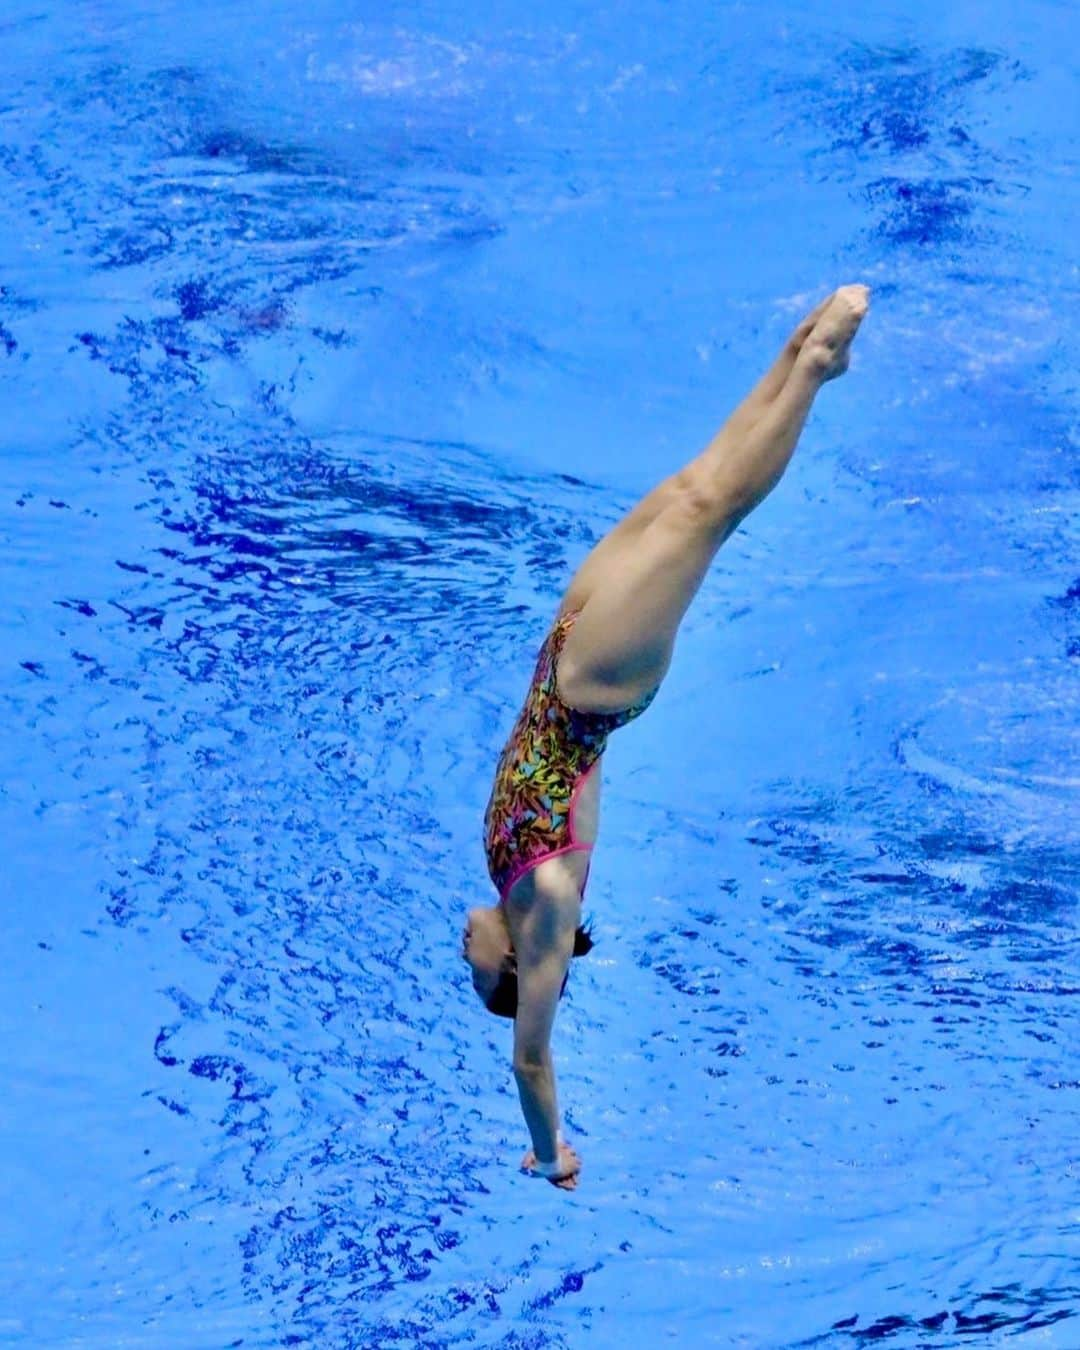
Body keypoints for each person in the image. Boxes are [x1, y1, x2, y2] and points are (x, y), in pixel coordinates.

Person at [462, 285, 870, 1190]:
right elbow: (530, 1064)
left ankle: (800, 354)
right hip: (595, 687)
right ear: (517, 973)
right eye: (480, 977)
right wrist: (547, 1155)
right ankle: (814, 369)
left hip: (564, 651)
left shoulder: (507, 874)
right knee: (709, 515)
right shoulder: (546, 911)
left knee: (692, 486)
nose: (467, 959)